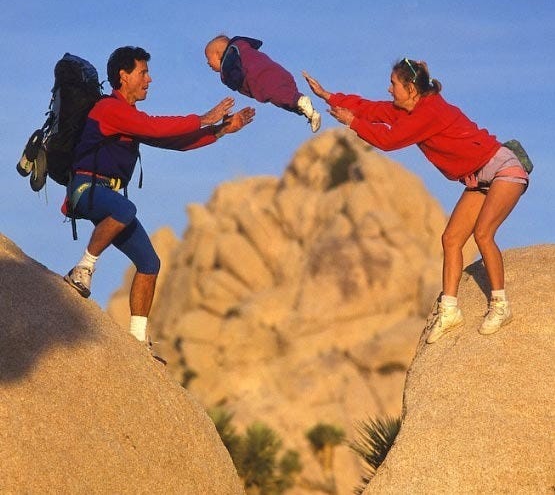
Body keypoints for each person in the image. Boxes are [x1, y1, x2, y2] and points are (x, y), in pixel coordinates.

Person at [303, 59, 529, 343]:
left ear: (410, 88)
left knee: (483, 233)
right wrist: (329, 96)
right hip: (478, 178)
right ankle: (450, 310)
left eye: (394, 84)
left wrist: (352, 122)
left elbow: (389, 140)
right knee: (451, 239)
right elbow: (373, 109)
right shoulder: (408, 109)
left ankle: (500, 305)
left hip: (504, 169)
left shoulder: (430, 112)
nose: (389, 89)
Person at [63, 46, 255, 360]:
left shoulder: (130, 117)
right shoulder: (109, 108)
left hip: (108, 197)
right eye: (143, 72)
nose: (149, 79)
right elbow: (155, 127)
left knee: (149, 263)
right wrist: (203, 118)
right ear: (124, 76)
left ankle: (138, 340)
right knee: (126, 210)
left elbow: (173, 142)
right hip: (85, 189)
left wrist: (220, 130)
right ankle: (82, 269)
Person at [204, 35, 321, 133]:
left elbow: (235, 78)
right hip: (277, 72)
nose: (207, 63)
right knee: (284, 99)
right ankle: (311, 113)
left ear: (218, 54)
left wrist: (228, 79)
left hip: (262, 77)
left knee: (280, 95)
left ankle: (301, 103)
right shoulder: (244, 49)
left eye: (209, 58)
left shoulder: (230, 58)